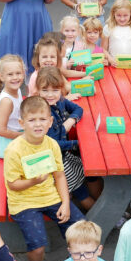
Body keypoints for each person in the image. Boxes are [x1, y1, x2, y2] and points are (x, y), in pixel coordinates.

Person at [4, 96, 85, 261]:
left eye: (42, 119)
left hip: (50, 197)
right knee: (38, 245)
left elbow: (59, 176)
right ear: (22, 124)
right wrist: (32, 182)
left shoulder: (51, 144)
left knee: (80, 230)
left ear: (50, 122)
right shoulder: (14, 149)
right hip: (23, 202)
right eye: (32, 120)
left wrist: (66, 203)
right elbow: (12, 184)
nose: (38, 124)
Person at [35, 67, 95, 212]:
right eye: (45, 90)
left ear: (61, 89)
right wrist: (78, 144)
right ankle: (97, 217)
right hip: (55, 163)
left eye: (55, 90)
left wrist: (70, 121)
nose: (50, 95)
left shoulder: (60, 101)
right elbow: (55, 144)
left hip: (64, 157)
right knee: (82, 193)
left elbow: (78, 109)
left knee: (87, 176)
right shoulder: (41, 115)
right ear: (37, 90)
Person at [0, 55, 25, 159]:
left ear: (23, 74)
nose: (15, 77)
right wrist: (23, 136)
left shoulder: (17, 90)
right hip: (7, 142)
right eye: (10, 74)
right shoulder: (7, 101)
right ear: (2, 77)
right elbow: (1, 130)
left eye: (18, 73)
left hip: (16, 133)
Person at [102, 0, 131, 65]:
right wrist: (110, 59)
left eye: (125, 15)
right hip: (114, 65)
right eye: (119, 15)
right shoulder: (108, 28)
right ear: (113, 13)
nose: (122, 19)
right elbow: (103, 49)